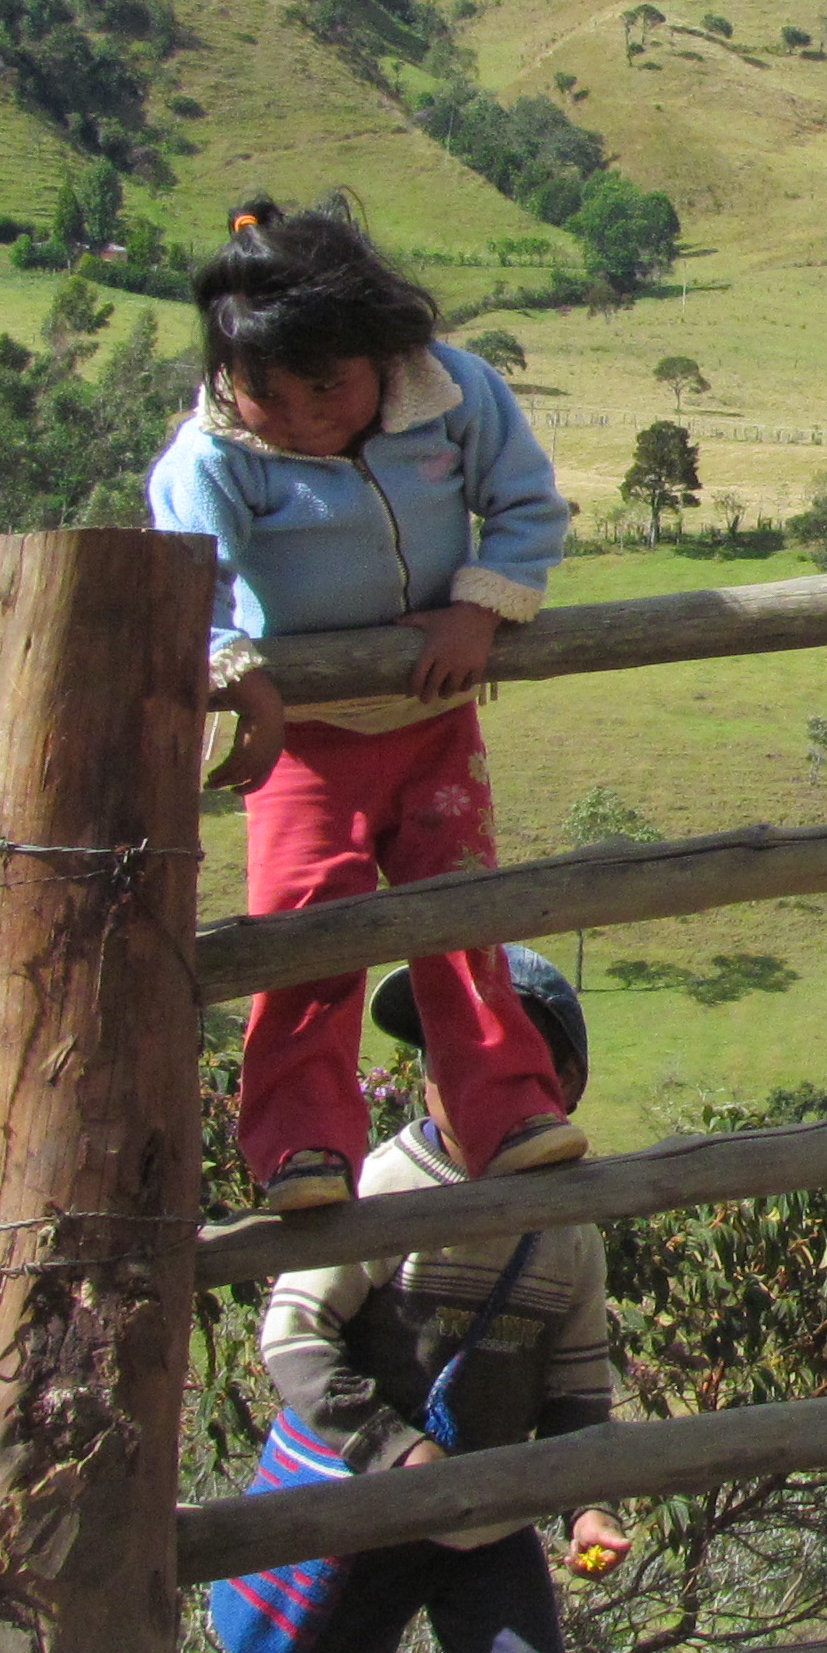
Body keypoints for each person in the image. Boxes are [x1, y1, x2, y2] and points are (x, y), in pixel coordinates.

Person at [148, 197, 583, 1215]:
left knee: (461, 918)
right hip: (303, 742)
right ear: (230, 378)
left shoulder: (454, 391)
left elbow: (525, 507)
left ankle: (506, 1114)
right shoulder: (213, 456)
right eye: (270, 394)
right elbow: (186, 581)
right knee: (306, 934)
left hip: (436, 720)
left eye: (326, 389)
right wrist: (234, 673)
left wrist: (480, 610)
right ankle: (299, 1151)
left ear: (381, 349)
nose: (300, 418)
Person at [200, 945, 632, 1653]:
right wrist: (396, 1454)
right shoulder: (383, 1187)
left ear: (556, 1084)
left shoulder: (568, 1231)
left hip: (488, 1516)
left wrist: (588, 1503)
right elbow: (295, 1335)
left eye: (499, 1057)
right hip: (367, 1512)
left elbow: (575, 1395)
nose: (460, 1075)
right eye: (446, 1050)